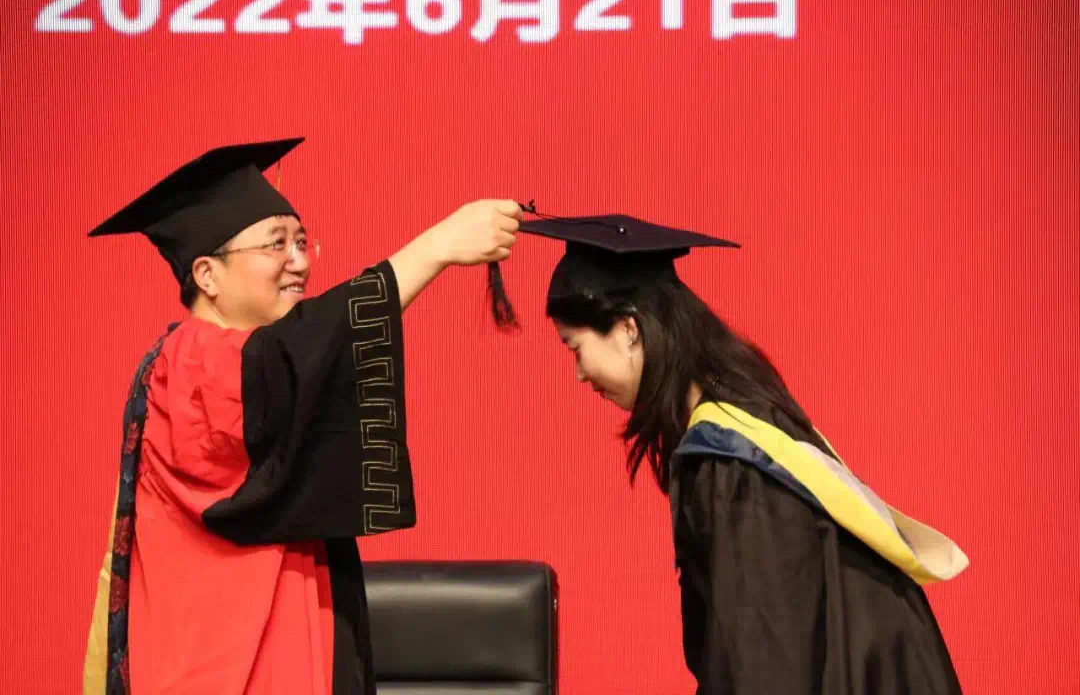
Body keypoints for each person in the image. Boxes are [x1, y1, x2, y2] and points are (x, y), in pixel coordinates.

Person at [82, 137, 523, 695]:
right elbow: (297, 356)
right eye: (276, 244)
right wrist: (436, 247)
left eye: (301, 241)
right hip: (225, 667)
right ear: (208, 275)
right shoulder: (189, 363)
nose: (300, 261)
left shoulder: (236, 360)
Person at [517, 212, 969, 694]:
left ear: (629, 329)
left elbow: (764, 659)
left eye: (574, 348)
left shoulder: (733, 467)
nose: (579, 374)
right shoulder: (747, 417)